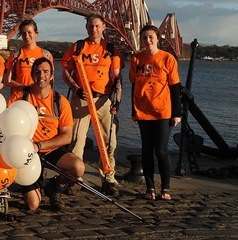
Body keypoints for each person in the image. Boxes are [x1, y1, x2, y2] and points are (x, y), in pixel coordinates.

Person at [60, 13, 124, 196]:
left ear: (103, 27)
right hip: (81, 98)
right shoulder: (78, 47)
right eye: (90, 26)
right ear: (86, 28)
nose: (94, 30)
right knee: (77, 141)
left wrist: (117, 102)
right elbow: (65, 72)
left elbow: (117, 78)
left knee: (109, 141)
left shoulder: (111, 49)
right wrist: (76, 88)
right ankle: (75, 179)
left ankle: (108, 179)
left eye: (97, 26)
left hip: (103, 99)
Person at [8, 57, 84, 211]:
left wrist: (40, 145)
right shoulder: (20, 96)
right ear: (31, 75)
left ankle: (54, 187)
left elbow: (67, 136)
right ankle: (33, 183)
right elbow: (7, 124)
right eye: (37, 72)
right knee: (33, 205)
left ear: (51, 76)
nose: (41, 75)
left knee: (78, 167)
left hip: (49, 148)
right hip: (26, 151)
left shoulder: (60, 101)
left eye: (45, 72)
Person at [129, 25, 181, 201]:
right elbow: (134, 86)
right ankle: (150, 187)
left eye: (151, 37)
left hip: (163, 111)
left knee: (161, 150)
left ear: (157, 38)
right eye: (144, 37)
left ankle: (165, 187)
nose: (148, 40)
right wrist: (133, 110)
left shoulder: (167, 58)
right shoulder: (136, 59)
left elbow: (175, 88)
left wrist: (177, 113)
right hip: (143, 111)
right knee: (146, 150)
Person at [5, 19, 53, 97]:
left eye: (29, 32)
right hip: (19, 98)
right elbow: (8, 81)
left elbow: (50, 81)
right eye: (24, 33)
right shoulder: (15, 55)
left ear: (36, 33)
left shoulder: (46, 55)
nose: (27, 36)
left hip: (38, 98)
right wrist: (26, 88)